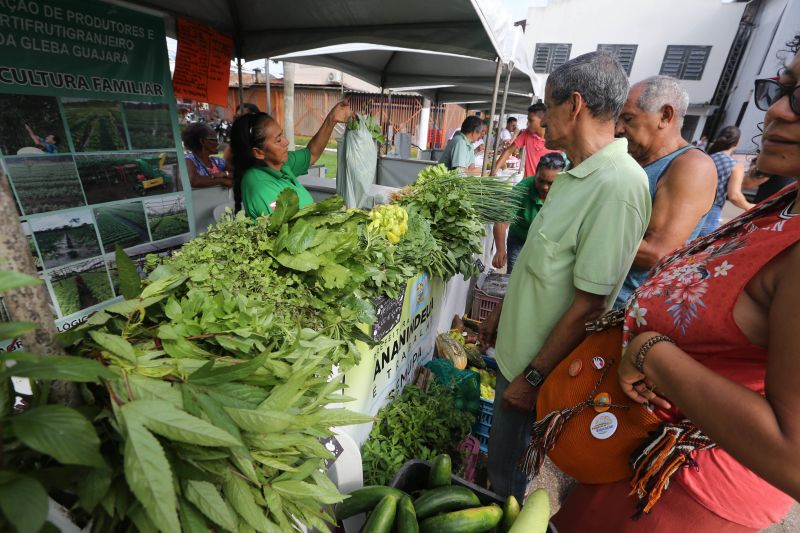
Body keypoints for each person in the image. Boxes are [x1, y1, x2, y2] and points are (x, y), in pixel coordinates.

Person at [551, 38, 800, 532]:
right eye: (782, 87)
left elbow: (793, 456)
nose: (776, 109)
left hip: (688, 496)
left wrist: (649, 351)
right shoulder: (785, 205)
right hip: (640, 459)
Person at [479, 51, 651, 502]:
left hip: (538, 375)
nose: (540, 118)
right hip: (516, 357)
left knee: (508, 482)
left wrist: (532, 378)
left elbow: (590, 305)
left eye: (548, 105)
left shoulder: (618, 185)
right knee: (500, 464)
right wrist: (500, 314)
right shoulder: (574, 174)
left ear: (573, 105)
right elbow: (541, 264)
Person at [613, 76, 717, 308]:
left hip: (625, 311)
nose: (619, 129)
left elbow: (654, 254)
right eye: (618, 120)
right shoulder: (637, 161)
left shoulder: (691, 166)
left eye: (628, 119)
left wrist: (581, 231)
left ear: (665, 116)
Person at [229, 101, 352, 217]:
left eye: (281, 134)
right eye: (278, 140)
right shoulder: (260, 187)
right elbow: (290, 231)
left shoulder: (280, 164)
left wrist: (332, 119)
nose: (286, 142)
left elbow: (312, 154)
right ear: (259, 153)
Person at [491, 153, 566, 273]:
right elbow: (502, 219)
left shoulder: (567, 191)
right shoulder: (524, 187)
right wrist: (500, 250)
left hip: (549, 243)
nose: (545, 187)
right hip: (520, 239)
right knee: (514, 275)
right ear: (535, 174)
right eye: (541, 181)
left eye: (551, 183)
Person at [698, 126, 749, 236]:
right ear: (737, 142)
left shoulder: (706, 157)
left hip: (692, 208)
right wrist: (749, 206)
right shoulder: (735, 165)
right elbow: (734, 196)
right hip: (710, 215)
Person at [493, 103, 559, 176]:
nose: (527, 124)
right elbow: (509, 150)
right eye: (528, 120)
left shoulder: (557, 139)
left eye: (531, 120)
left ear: (543, 120)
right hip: (528, 183)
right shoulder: (527, 133)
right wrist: (494, 171)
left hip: (546, 185)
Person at [181, 122, 233, 189]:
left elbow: (238, 173)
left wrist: (225, 174)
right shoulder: (188, 159)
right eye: (214, 140)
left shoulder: (217, 161)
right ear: (202, 141)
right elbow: (194, 180)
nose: (217, 143)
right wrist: (222, 180)